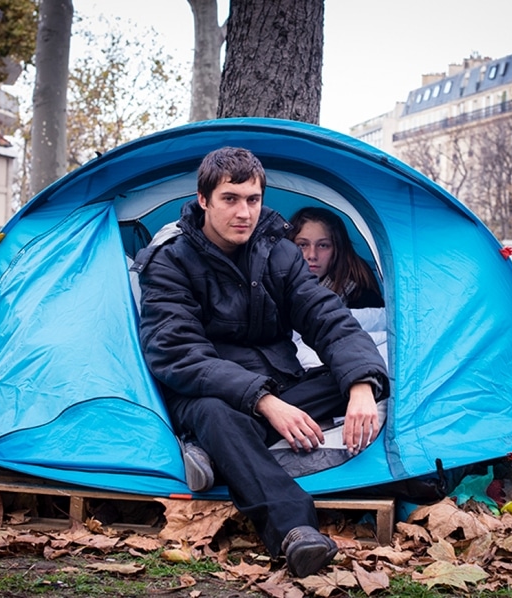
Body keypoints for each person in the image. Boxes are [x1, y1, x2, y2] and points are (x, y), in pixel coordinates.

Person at [132, 147, 389, 578]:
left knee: (376, 374)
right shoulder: (170, 261)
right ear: (203, 200)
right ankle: (295, 531)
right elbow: (176, 353)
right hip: (210, 393)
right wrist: (266, 402)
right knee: (216, 416)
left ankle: (218, 456)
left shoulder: (279, 254)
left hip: (284, 383)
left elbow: (327, 317)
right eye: (230, 199)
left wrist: (361, 386)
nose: (244, 212)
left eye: (252, 199)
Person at [287, 207, 384, 309]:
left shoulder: (362, 298)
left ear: (337, 249)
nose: (312, 255)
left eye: (323, 245)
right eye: (302, 245)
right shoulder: (277, 288)